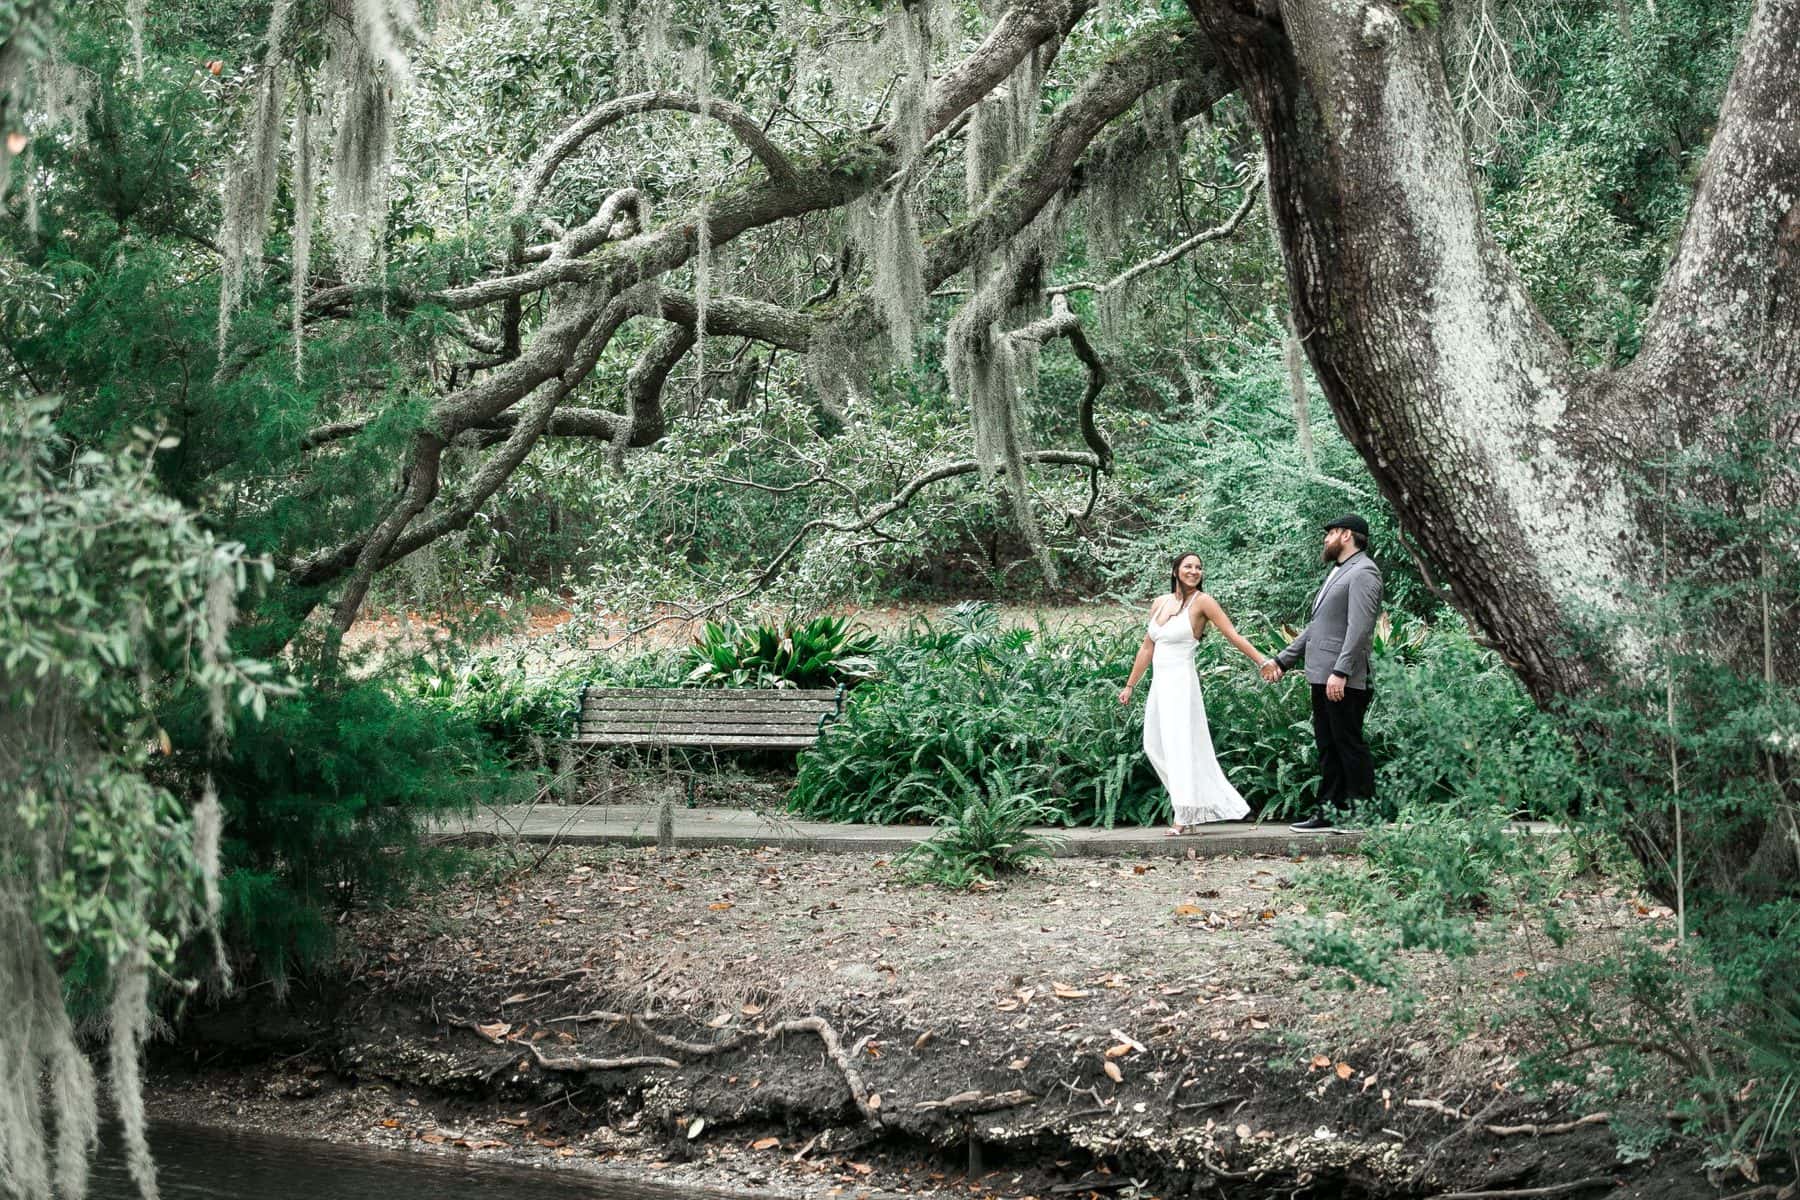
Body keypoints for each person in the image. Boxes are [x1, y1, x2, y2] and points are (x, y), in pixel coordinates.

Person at [1119, 552, 1272, 834]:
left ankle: (1184, 814)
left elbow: (1233, 635)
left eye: (1199, 567)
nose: (1194, 571)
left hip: (1181, 683)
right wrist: (1130, 684)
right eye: (1188, 566)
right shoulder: (1159, 603)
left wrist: (1262, 661)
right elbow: (1147, 648)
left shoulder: (1203, 602)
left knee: (1179, 746)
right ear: (1176, 570)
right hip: (1159, 684)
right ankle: (1192, 804)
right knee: (1153, 745)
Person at [1260, 515, 1384, 832]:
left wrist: (1341, 670)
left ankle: (1363, 814)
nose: (1325, 539)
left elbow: (1360, 629)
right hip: (1322, 675)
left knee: (1349, 743)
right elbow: (1318, 629)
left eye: (1329, 533)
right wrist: (1283, 661)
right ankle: (1330, 811)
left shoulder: (1364, 572)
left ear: (1345, 535)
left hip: (1345, 679)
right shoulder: (1339, 572)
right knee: (1328, 745)